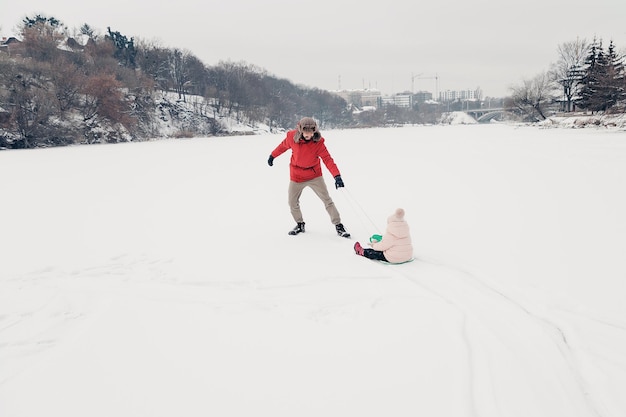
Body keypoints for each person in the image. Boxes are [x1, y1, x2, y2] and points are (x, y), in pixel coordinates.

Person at [267, 117, 350, 238]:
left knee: (327, 200)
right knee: (292, 202)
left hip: (314, 176)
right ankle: (300, 224)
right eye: (306, 131)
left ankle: (338, 225)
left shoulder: (319, 142)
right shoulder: (292, 137)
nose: (308, 134)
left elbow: (328, 159)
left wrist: (337, 176)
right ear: (300, 130)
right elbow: (282, 146)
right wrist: (272, 155)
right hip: (296, 176)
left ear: (314, 130)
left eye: (311, 131)